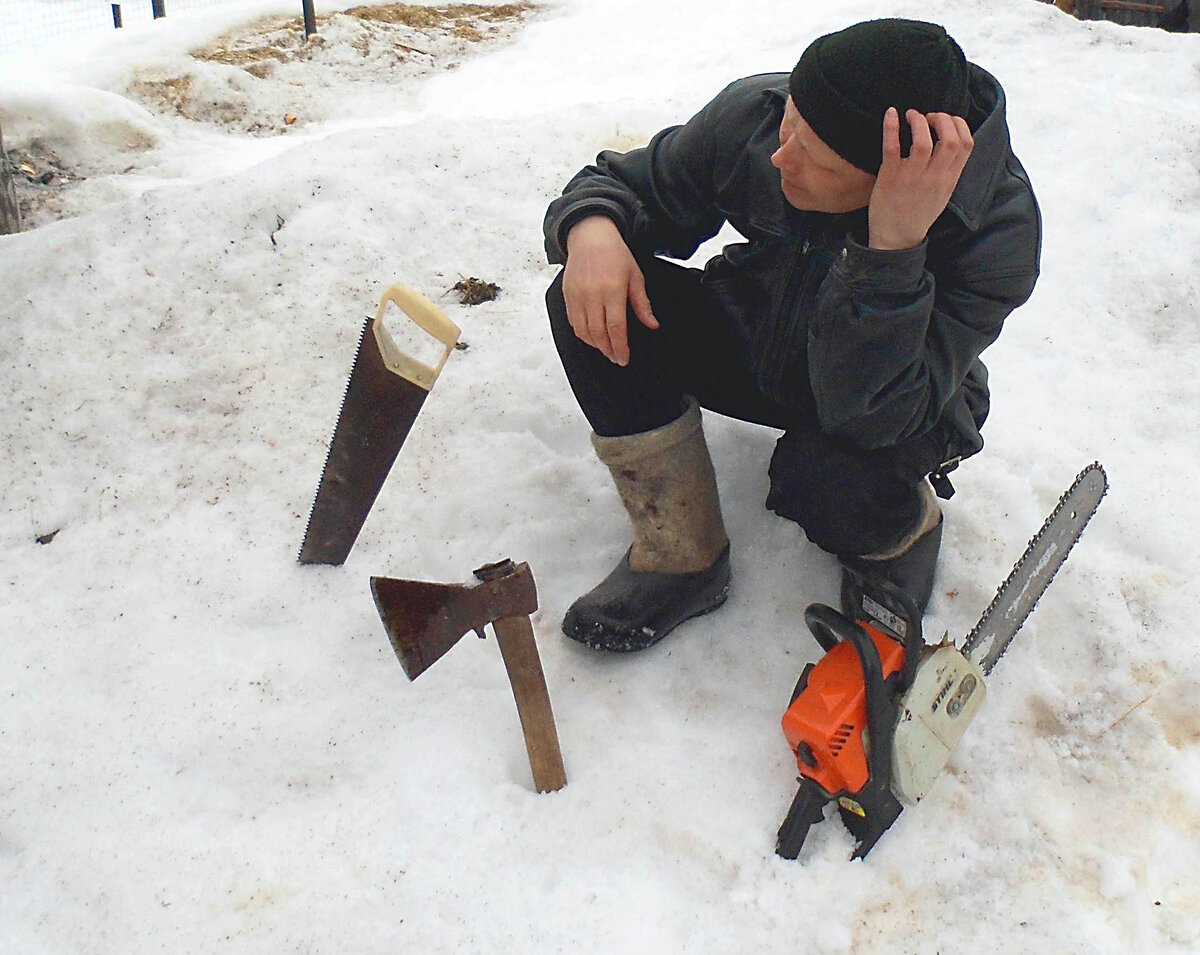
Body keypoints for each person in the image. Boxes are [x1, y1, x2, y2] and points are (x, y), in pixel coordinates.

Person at [543, 19, 1041, 652]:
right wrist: (591, 228)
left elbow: (870, 414)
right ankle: (679, 548)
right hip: (763, 331)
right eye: (792, 123)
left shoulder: (994, 231)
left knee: (829, 484)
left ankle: (903, 531)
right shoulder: (760, 119)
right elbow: (628, 183)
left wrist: (892, 248)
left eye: (820, 158)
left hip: (901, 395)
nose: (784, 155)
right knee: (590, 298)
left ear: (890, 179)